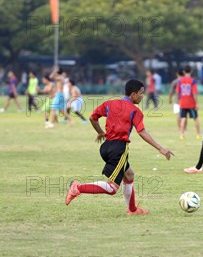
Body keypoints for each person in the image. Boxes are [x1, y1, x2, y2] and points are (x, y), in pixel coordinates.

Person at [65, 79, 174, 215]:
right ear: (133, 94)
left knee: (129, 175)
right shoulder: (135, 111)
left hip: (106, 147)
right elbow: (142, 132)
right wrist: (160, 148)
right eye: (141, 93)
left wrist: (100, 132)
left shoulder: (110, 103)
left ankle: (132, 210)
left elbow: (93, 118)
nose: (142, 96)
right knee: (112, 188)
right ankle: (78, 187)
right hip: (119, 149)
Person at [177, 65, 201, 140]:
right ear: (191, 71)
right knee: (195, 118)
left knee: (183, 118)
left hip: (183, 102)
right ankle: (198, 134)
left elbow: (178, 92)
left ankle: (181, 134)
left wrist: (179, 101)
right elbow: (194, 93)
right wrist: (196, 103)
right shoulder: (192, 81)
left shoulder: (180, 81)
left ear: (184, 72)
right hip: (191, 103)